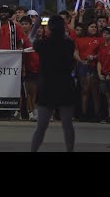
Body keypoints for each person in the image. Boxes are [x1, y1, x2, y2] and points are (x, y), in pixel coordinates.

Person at [31, 15, 77, 152]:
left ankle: (33, 150)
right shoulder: (69, 44)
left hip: (47, 85)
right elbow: (70, 39)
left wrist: (37, 24)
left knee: (41, 126)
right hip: (65, 84)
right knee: (67, 125)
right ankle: (70, 150)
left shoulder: (43, 44)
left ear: (49, 28)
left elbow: (31, 39)